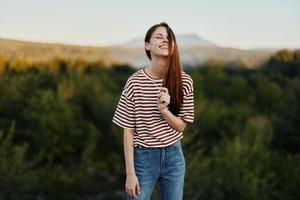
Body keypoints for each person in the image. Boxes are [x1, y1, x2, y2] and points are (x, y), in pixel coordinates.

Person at [112, 22, 194, 200]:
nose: (165, 40)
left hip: (174, 156)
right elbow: (128, 131)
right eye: (159, 36)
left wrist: (164, 111)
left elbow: (180, 127)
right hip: (143, 157)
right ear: (147, 45)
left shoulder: (184, 81)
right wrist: (130, 174)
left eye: (168, 38)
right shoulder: (134, 82)